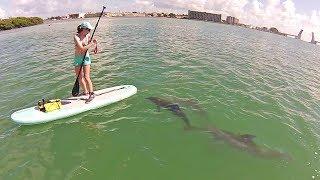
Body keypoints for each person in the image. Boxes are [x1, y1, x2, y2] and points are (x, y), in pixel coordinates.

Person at [74, 22, 98, 103]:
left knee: (87, 76)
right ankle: (86, 92)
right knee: (80, 77)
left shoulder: (87, 36)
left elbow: (93, 41)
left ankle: (91, 93)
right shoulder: (76, 37)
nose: (89, 31)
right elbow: (81, 49)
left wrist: (95, 46)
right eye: (88, 29)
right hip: (78, 58)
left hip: (86, 58)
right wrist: (91, 44)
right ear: (83, 29)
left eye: (90, 29)